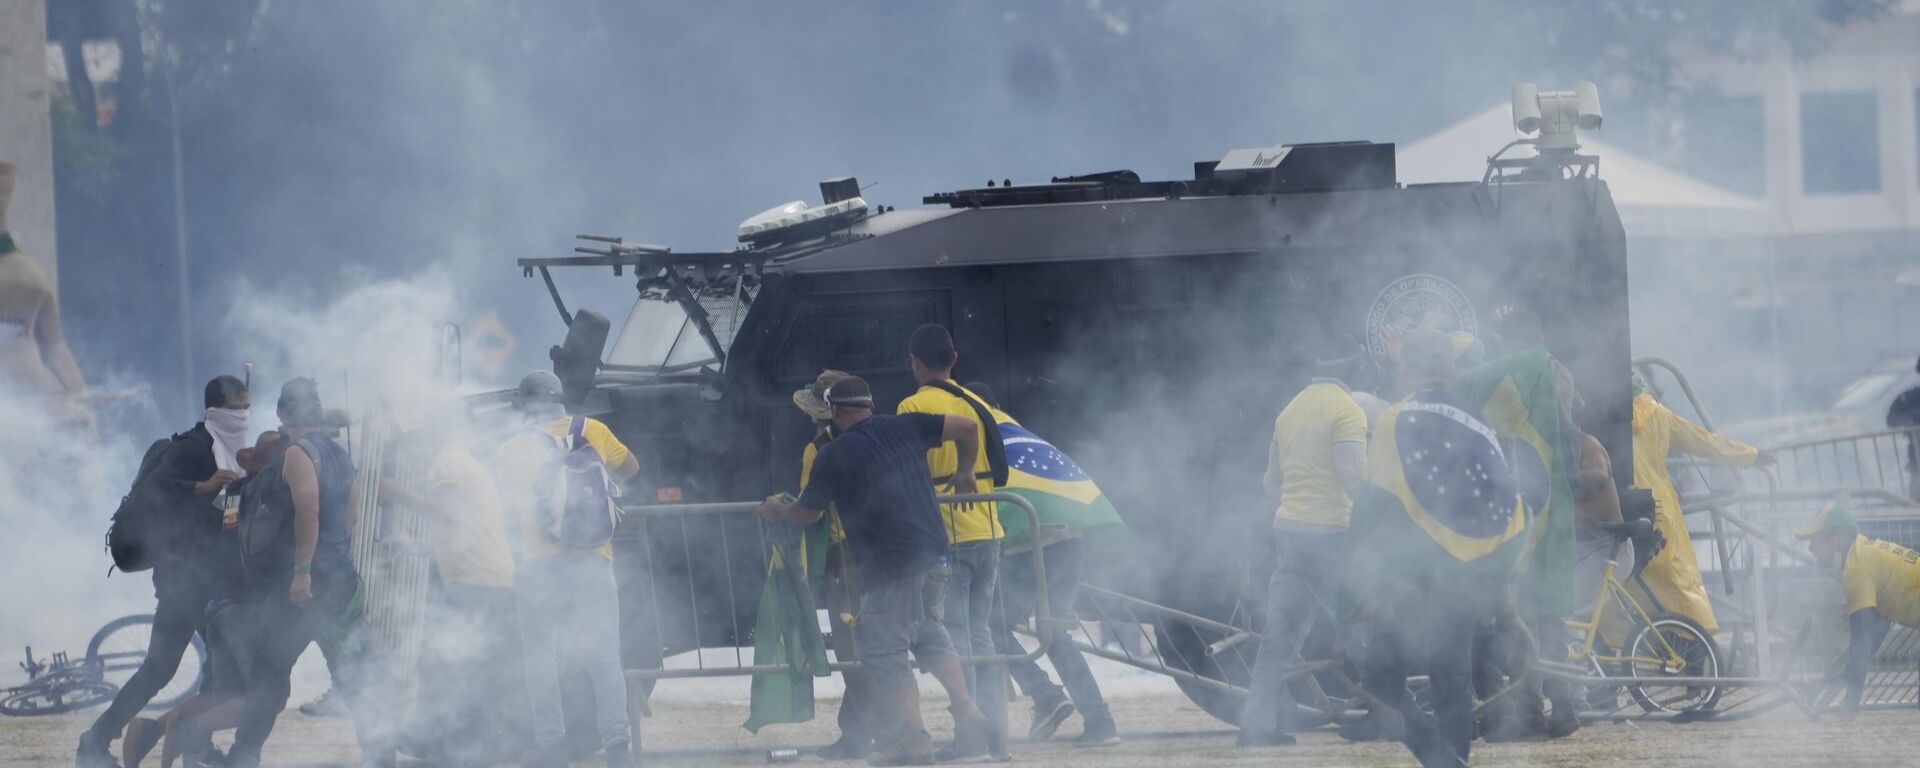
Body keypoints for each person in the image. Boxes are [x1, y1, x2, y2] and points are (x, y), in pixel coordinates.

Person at [757, 376, 992, 767]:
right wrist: (965, 470)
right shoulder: (905, 424)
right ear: (868, 404)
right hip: (934, 553)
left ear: (833, 411)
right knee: (931, 636)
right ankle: (971, 720)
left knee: (883, 653)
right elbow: (968, 428)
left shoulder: (833, 454)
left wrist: (778, 509)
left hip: (889, 564)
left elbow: (807, 513)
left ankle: (914, 741)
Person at [1347, 328, 1528, 768]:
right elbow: (1507, 504)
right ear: (1450, 367)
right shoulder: (1478, 422)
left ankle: (1439, 759)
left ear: (1408, 367)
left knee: (1380, 683)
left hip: (1408, 578)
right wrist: (1504, 596)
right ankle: (1451, 760)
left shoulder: (1395, 419)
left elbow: (1374, 507)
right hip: (1467, 576)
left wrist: (1358, 586)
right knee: (1452, 680)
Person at [77, 376, 249, 768]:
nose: (243, 415)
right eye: (237, 408)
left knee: (186, 665)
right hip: (182, 575)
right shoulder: (193, 446)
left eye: (246, 408)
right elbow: (159, 491)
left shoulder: (226, 449)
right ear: (216, 409)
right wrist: (203, 487)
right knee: (183, 667)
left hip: (200, 575)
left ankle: (178, 745)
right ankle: (169, 744)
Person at [226, 378, 386, 768]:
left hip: (304, 589)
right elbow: (350, 516)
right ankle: (382, 757)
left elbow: (307, 512)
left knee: (269, 673)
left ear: (282, 414)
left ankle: (241, 758)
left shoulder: (298, 454)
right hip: (341, 582)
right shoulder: (340, 453)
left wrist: (302, 571)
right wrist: (334, 557)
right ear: (317, 413)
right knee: (356, 676)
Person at [965, 381, 1125, 748]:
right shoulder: (1020, 431)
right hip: (1071, 538)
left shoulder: (981, 436)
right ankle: (1100, 721)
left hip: (1032, 541)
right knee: (1053, 628)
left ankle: (1044, 694)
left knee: (989, 625)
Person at [495, 371, 641, 768]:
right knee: (604, 655)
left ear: (525, 406)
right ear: (561, 399)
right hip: (594, 558)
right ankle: (617, 746)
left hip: (539, 565)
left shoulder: (510, 449)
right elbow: (631, 468)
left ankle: (551, 745)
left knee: (540, 656)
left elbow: (507, 508)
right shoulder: (593, 429)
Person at [1237, 345, 1369, 748]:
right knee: (1358, 623)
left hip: (1289, 531)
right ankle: (1390, 711)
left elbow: (1269, 484)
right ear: (1352, 375)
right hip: (1330, 530)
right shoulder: (1348, 410)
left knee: (1279, 634)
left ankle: (1255, 724)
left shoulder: (1289, 410)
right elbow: (1351, 474)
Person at [895, 324, 1012, 759]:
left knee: (956, 638)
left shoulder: (912, 406)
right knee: (980, 636)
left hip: (949, 534)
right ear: (954, 360)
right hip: (989, 530)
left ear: (915, 361)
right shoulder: (978, 403)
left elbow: (908, 469)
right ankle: (995, 734)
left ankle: (973, 739)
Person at [383, 406, 522, 767]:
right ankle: (450, 739)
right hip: (489, 573)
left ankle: (443, 740)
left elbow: (443, 512)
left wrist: (394, 492)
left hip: (473, 576)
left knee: (448, 660)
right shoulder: (470, 462)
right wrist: (411, 547)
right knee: (467, 661)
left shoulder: (445, 462)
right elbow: (456, 528)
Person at [789, 370, 883, 760]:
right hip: (881, 551)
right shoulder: (879, 437)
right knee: (878, 646)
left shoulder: (819, 450)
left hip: (844, 556)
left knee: (851, 651)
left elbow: (811, 507)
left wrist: (783, 510)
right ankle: (860, 729)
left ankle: (869, 733)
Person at [1629, 381, 1770, 637]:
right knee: (1682, 583)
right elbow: (1705, 442)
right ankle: (1696, 644)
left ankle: (1632, 650)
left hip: (1625, 508)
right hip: (1662, 512)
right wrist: (1751, 455)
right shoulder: (1660, 414)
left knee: (1630, 584)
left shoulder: (1606, 418)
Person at [1797, 499, 1920, 714]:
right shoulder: (1864, 555)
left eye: (1815, 540)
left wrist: (1850, 703)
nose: (1811, 548)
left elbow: (1862, 642)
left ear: (1835, 538)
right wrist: (1834, 678)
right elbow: (1873, 635)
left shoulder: (1856, 569)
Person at [0, 159, 86, 399]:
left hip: (27, 392)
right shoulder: (30, 275)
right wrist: (78, 391)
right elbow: (55, 345)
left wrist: (78, 392)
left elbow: (55, 344)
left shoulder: (27, 275)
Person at [1884, 357, 1920, 502]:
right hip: (1918, 457)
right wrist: (1912, 418)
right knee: (1916, 497)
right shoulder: (1912, 398)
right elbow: (1892, 419)